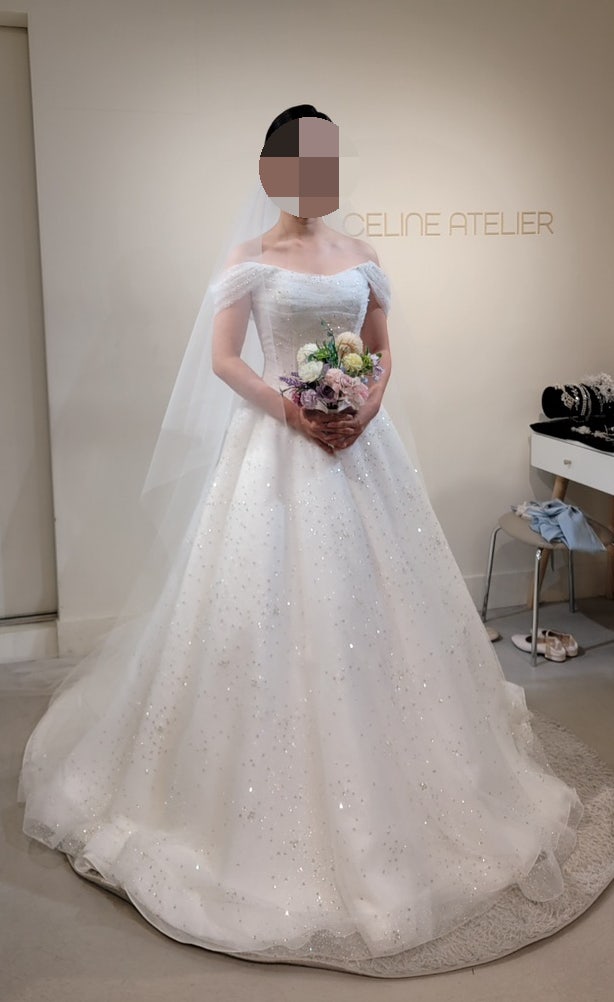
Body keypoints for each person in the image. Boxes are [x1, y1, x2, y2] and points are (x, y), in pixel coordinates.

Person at [19, 105, 614, 978]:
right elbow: (226, 359)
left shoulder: (360, 252)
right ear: (271, 168)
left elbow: (380, 349)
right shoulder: (249, 258)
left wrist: (362, 406)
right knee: (264, 613)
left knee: (382, 608)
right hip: (275, 450)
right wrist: (295, 411)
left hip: (363, 448)